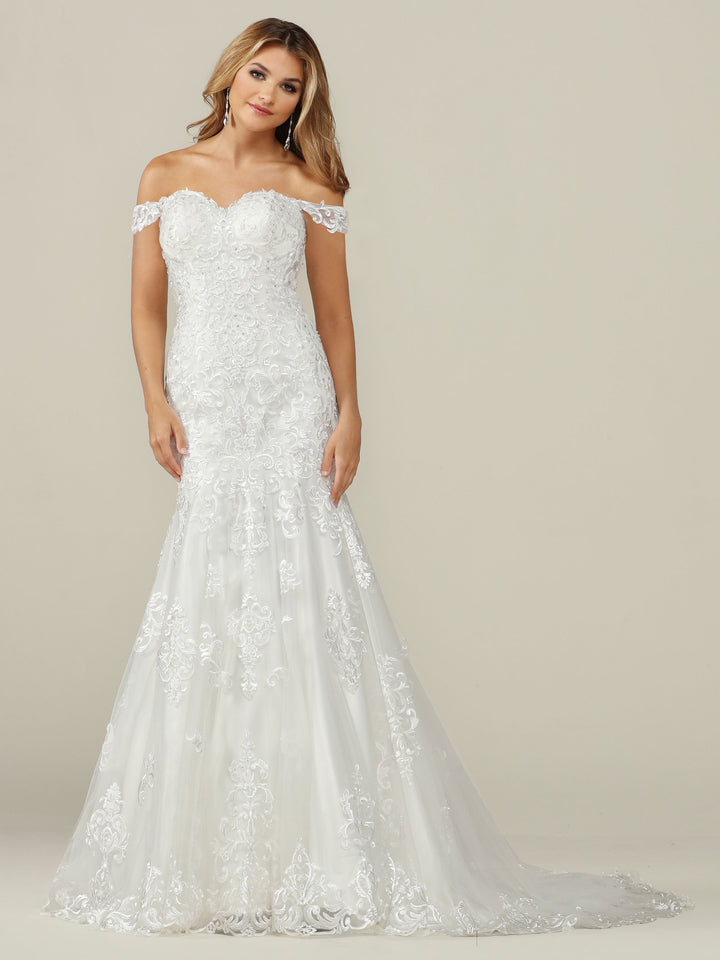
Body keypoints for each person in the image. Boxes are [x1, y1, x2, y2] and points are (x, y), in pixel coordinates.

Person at [40, 17, 695, 938]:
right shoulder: (164, 175)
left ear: (304, 104)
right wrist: (154, 400)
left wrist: (350, 411)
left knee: (310, 600)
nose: (267, 95)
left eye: (288, 88)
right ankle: (213, 857)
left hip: (288, 397)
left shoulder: (311, 185)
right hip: (211, 406)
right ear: (231, 73)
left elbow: (336, 315)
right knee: (210, 600)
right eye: (259, 74)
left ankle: (332, 852)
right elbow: (146, 304)